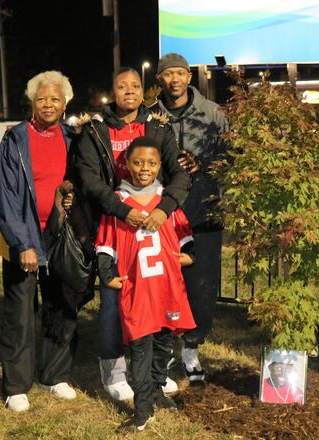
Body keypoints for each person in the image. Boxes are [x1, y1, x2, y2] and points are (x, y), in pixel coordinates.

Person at [69, 67, 191, 401]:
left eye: (135, 86)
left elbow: (178, 175)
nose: (129, 91)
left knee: (157, 296)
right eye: (122, 86)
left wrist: (162, 209)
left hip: (152, 223)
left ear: (143, 91)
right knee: (115, 297)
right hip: (116, 222)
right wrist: (124, 211)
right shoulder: (95, 130)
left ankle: (157, 370)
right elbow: (89, 180)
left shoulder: (157, 127)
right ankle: (113, 371)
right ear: (113, 91)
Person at [94, 137, 196, 432]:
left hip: (166, 289)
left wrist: (187, 257)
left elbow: (186, 239)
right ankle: (142, 410)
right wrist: (106, 273)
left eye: (151, 163)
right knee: (140, 348)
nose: (144, 168)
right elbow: (105, 246)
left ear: (160, 165)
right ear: (126, 164)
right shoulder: (119, 203)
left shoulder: (167, 201)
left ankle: (156, 391)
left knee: (163, 344)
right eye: (138, 162)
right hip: (138, 291)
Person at [0, 71, 79, 412]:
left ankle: (54, 375)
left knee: (61, 306)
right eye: (42, 98)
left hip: (60, 235)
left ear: (65, 103)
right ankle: (16, 384)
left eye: (55, 99)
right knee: (21, 313)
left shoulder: (73, 138)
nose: (48, 104)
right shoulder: (15, 139)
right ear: (31, 101)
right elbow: (6, 197)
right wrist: (22, 243)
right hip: (26, 236)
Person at [153, 52, 229, 383]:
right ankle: (164, 349)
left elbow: (231, 156)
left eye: (179, 73)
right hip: (162, 215)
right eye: (167, 74)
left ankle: (192, 348)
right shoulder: (150, 115)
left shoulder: (213, 113)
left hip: (204, 213)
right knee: (164, 285)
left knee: (201, 286)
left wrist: (205, 165)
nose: (174, 79)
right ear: (160, 79)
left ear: (189, 77)